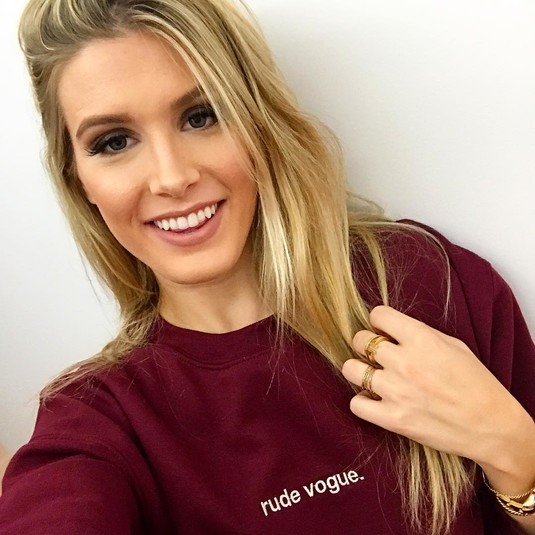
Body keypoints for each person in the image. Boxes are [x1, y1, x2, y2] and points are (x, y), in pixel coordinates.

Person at [1, 0, 533, 533]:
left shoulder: (427, 281)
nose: (172, 177)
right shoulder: (97, 422)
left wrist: (514, 449)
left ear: (257, 121)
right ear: (79, 181)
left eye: (201, 116)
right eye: (114, 142)